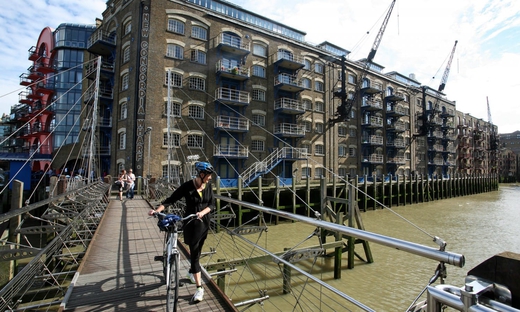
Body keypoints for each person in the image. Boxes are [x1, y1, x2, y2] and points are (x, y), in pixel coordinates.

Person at [148, 161, 215, 303]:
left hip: (204, 224)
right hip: (191, 224)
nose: (210, 178)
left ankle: (191, 272)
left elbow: (212, 205)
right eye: (208, 175)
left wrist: (202, 212)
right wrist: (157, 210)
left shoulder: (208, 186)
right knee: (195, 255)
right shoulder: (187, 187)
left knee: (198, 252)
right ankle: (199, 288)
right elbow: (170, 200)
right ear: (201, 174)